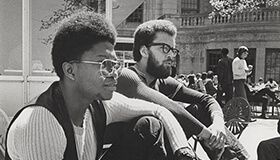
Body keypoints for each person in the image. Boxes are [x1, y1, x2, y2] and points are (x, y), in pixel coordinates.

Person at [5, 11, 196, 160]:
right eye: (104, 64)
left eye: (115, 65)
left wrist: (184, 151)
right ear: (71, 71)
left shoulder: (99, 104)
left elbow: (159, 111)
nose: (114, 73)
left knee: (149, 126)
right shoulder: (41, 123)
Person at [116, 19, 249, 160]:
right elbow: (167, 107)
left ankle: (238, 158)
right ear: (144, 51)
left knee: (198, 109)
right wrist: (208, 135)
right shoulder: (126, 77)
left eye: (173, 50)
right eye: (164, 48)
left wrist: (218, 125)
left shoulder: (162, 82)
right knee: (151, 122)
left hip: (160, 151)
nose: (171, 56)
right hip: (128, 152)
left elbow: (206, 99)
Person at [232, 46, 256, 122]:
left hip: (243, 81)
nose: (246, 54)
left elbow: (246, 73)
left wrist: (249, 70)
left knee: (237, 99)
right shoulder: (236, 61)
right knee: (243, 98)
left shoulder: (243, 61)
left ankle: (235, 115)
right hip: (238, 81)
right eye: (245, 53)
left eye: (247, 53)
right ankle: (247, 117)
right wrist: (245, 71)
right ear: (240, 53)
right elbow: (235, 72)